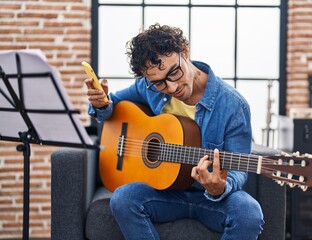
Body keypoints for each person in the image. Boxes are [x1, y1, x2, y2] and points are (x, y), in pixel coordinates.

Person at [85, 23, 264, 240]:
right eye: (158, 83)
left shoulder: (234, 105)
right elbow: (112, 104)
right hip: (163, 193)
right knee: (123, 199)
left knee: (249, 212)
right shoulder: (147, 87)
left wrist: (221, 187)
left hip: (210, 198)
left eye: (174, 72)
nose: (171, 88)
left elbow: (240, 168)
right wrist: (102, 103)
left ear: (185, 51)